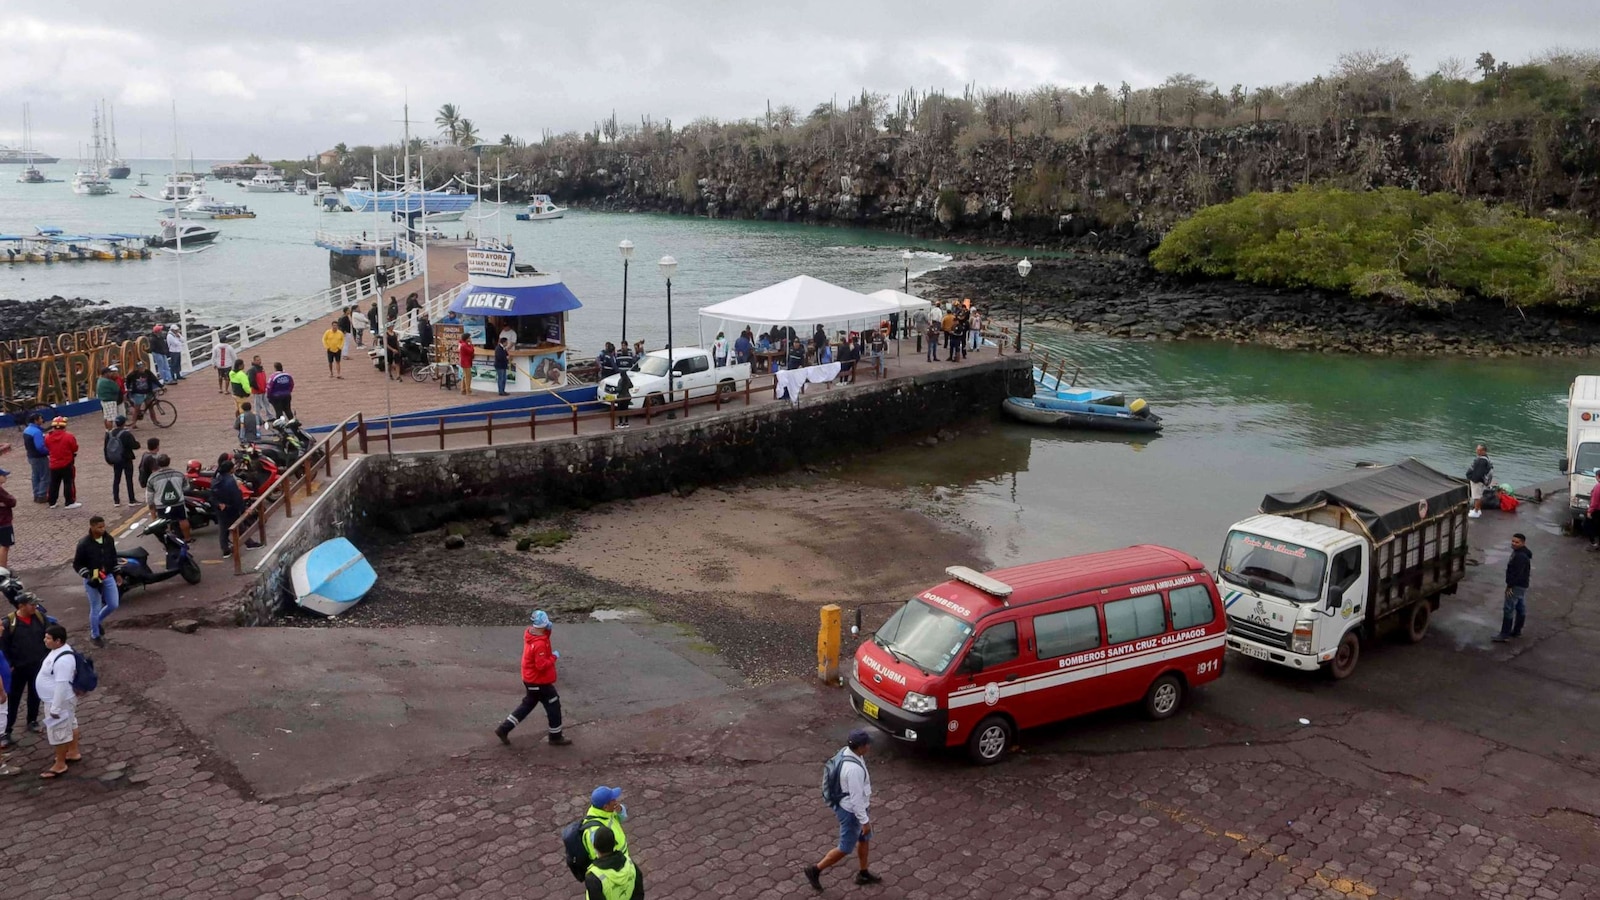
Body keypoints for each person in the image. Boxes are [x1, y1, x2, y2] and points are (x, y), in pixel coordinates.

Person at [805, 729, 882, 890]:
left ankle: (863, 872)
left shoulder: (847, 752)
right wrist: (865, 821)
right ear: (860, 747)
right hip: (852, 813)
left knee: (864, 839)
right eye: (867, 744)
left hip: (852, 809)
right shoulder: (853, 770)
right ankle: (815, 870)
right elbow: (856, 800)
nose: (869, 747)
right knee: (845, 847)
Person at [495, 609, 571, 745]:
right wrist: (554, 657)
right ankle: (555, 736)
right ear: (543, 625)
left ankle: (504, 729)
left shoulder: (532, 634)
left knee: (528, 704)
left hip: (530, 679)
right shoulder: (540, 644)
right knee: (553, 704)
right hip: (539, 681)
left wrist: (547, 629)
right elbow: (541, 665)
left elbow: (544, 636)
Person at [1, 592, 49, 750]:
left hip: (37, 666)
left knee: (35, 695)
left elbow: (48, 635)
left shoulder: (40, 618)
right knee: (13, 700)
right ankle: (6, 731)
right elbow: (4, 647)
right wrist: (9, 664)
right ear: (21, 606)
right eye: (32, 604)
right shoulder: (9, 623)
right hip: (18, 669)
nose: (35, 607)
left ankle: (32, 720)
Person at [36, 624, 81, 779]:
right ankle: (73, 752)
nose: (45, 640)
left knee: (59, 732)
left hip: (59, 702)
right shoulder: (58, 651)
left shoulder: (63, 660)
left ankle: (60, 764)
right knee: (71, 723)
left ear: (58, 641)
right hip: (62, 701)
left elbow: (61, 685)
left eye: (48, 638)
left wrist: (55, 708)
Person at [74, 517, 119, 648]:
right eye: (99, 527)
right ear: (92, 527)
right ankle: (95, 635)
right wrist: (88, 575)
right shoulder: (83, 544)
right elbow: (77, 564)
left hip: (108, 575)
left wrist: (117, 573)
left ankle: (97, 621)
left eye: (103, 526)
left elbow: (113, 557)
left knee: (113, 604)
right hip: (92, 579)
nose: (103, 529)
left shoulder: (108, 539)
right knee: (95, 606)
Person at [584, 827, 642, 900]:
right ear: (614, 844)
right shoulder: (630, 862)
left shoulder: (593, 877)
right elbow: (639, 892)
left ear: (594, 847)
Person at [1494, 533, 1532, 643]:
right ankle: (1517, 631)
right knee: (1520, 607)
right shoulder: (1522, 553)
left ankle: (1504, 634)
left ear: (1523, 543)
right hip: (1522, 585)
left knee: (1508, 608)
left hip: (1516, 585)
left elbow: (1517, 573)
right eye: (1513, 541)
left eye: (1517, 542)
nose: (1514, 544)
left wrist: (1510, 586)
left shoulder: (1520, 556)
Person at [581, 786, 630, 868]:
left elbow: (620, 819)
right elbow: (603, 859)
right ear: (606, 807)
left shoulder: (605, 812)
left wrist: (620, 810)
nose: (616, 801)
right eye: (612, 800)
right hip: (615, 868)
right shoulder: (595, 832)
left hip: (623, 859)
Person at [146, 454, 191, 542]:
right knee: (183, 519)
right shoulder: (179, 474)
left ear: (158, 463)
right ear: (169, 461)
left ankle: (170, 542)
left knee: (165, 524)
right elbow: (186, 488)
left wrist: (151, 505)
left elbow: (150, 495)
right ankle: (187, 538)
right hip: (178, 502)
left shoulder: (152, 478)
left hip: (162, 505)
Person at [212, 459, 250, 556]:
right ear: (231, 470)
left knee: (224, 529)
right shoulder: (230, 481)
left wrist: (218, 504)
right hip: (231, 508)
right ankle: (249, 543)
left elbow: (212, 494)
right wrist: (242, 508)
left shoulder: (216, 479)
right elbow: (236, 496)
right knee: (238, 526)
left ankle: (226, 549)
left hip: (221, 509)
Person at [44, 416, 80, 510]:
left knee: (53, 483)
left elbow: (47, 447)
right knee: (68, 483)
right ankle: (69, 502)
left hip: (53, 464)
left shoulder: (48, 437)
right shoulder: (69, 436)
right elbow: (74, 448)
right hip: (67, 463)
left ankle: (52, 502)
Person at [105, 416, 138, 508]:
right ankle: (131, 500)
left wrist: (108, 459)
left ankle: (116, 500)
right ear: (123, 423)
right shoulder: (126, 434)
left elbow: (105, 448)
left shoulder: (109, 434)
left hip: (116, 460)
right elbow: (135, 445)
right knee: (129, 479)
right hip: (126, 459)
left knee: (116, 479)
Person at [22, 413, 49, 504]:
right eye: (40, 419)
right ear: (36, 420)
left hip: (31, 456)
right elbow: (40, 447)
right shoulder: (37, 432)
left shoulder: (27, 430)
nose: (42, 420)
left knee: (35, 476)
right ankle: (42, 495)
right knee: (45, 476)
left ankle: (36, 494)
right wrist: (48, 452)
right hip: (39, 457)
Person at [125, 360, 160, 428]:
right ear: (137, 368)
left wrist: (161, 386)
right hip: (138, 393)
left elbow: (154, 379)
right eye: (140, 368)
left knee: (150, 407)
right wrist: (129, 388)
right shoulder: (134, 374)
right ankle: (133, 423)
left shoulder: (148, 372)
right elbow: (128, 379)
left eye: (143, 367)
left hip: (147, 392)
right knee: (137, 409)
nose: (142, 369)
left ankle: (155, 420)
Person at [1466, 445, 1493, 519]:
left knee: (1477, 497)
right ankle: (1477, 509)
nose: (1477, 451)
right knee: (1478, 496)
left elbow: (1479, 473)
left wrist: (1473, 479)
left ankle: (1476, 512)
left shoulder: (1482, 461)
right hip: (1481, 481)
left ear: (1484, 451)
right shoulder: (1485, 458)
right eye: (1477, 449)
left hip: (1477, 481)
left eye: (1479, 450)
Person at [0, 469, 13, 568]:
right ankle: (3, 569)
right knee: (5, 546)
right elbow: (12, 501)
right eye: (3, 475)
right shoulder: (1, 492)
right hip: (3, 521)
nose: (5, 477)